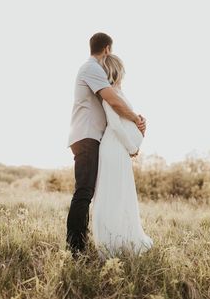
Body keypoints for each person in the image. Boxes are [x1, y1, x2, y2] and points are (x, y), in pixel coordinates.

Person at [66, 32, 146, 258]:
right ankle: (75, 249)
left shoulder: (90, 69)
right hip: (87, 136)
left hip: (91, 137)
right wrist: (137, 119)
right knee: (84, 192)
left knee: (88, 192)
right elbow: (113, 101)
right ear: (107, 49)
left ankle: (82, 242)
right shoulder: (92, 68)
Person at [91, 54, 154, 259]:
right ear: (117, 70)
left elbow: (125, 120)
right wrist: (131, 147)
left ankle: (123, 239)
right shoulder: (109, 94)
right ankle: (110, 244)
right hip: (114, 147)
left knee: (121, 194)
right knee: (112, 194)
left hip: (119, 147)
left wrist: (139, 123)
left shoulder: (118, 91)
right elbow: (115, 124)